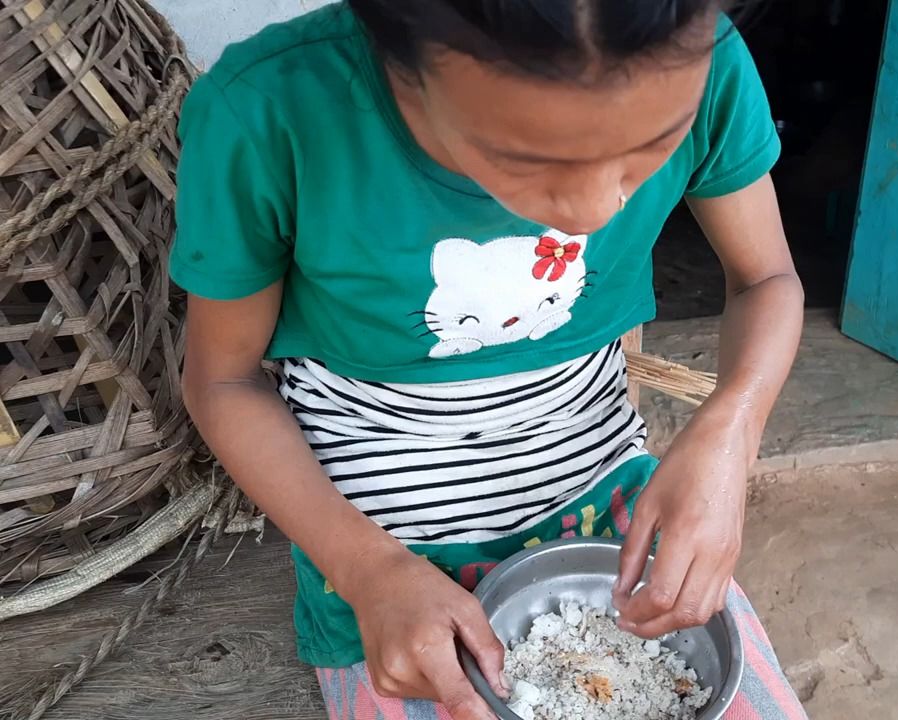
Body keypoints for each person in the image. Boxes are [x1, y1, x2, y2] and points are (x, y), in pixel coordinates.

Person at [173, 1, 807, 718]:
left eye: (651, 146)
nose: (593, 212)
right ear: (401, 63)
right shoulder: (270, 112)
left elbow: (767, 280)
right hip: (370, 527)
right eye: (525, 163)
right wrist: (368, 570)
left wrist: (735, 424)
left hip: (596, 484)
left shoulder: (707, 57)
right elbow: (223, 379)